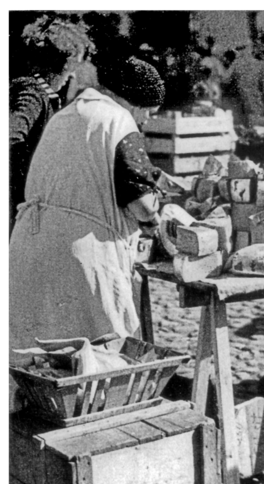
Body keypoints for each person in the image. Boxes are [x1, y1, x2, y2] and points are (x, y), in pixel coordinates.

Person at [9, 54, 165, 411]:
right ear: (133, 100)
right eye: (149, 111)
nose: (147, 119)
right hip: (81, 254)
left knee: (40, 362)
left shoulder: (65, 115)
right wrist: (155, 216)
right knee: (98, 362)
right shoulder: (119, 119)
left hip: (31, 243)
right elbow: (140, 203)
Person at [9, 16, 96, 236]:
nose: (75, 72)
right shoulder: (32, 93)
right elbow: (11, 136)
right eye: (77, 61)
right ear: (67, 62)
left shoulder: (43, 94)